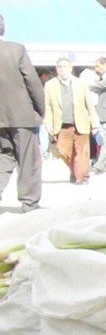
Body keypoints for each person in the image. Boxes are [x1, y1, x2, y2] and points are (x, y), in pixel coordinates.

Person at [0, 13, 45, 212]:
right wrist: (40, 109)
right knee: (28, 160)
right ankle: (29, 203)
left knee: (4, 156)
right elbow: (32, 81)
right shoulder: (16, 49)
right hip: (21, 115)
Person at [44, 57, 98, 185]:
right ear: (56, 69)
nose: (62, 70)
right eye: (59, 67)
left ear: (71, 68)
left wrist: (94, 123)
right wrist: (47, 122)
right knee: (63, 151)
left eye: (65, 67)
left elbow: (89, 104)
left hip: (81, 123)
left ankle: (83, 177)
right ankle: (75, 170)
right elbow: (47, 106)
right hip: (62, 125)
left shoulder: (81, 84)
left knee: (82, 152)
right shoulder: (50, 85)